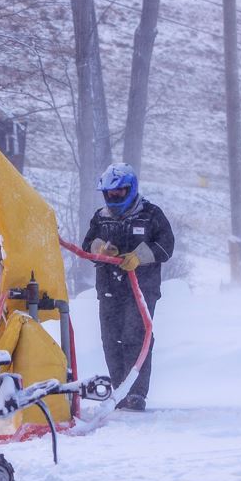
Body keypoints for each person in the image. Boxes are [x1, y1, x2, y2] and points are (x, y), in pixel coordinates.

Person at [81, 163, 175, 412]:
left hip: (141, 291)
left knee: (136, 338)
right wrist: (100, 248)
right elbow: (87, 244)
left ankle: (136, 393)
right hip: (109, 289)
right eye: (109, 194)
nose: (113, 198)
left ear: (130, 189)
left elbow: (167, 246)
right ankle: (119, 390)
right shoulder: (101, 218)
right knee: (111, 340)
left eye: (118, 193)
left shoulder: (151, 215)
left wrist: (140, 256)